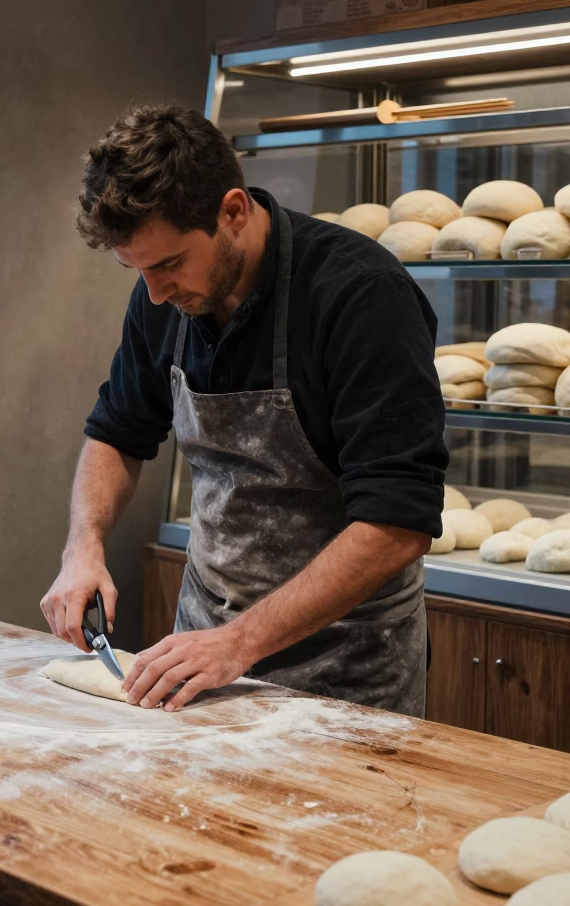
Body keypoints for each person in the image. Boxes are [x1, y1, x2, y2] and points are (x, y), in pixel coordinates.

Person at [40, 105, 447, 718]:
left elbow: (397, 523)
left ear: (233, 211)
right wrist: (83, 548)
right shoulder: (162, 298)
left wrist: (241, 642)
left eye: (169, 263)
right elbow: (118, 432)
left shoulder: (360, 296)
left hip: (348, 669)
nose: (155, 292)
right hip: (202, 654)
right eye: (138, 270)